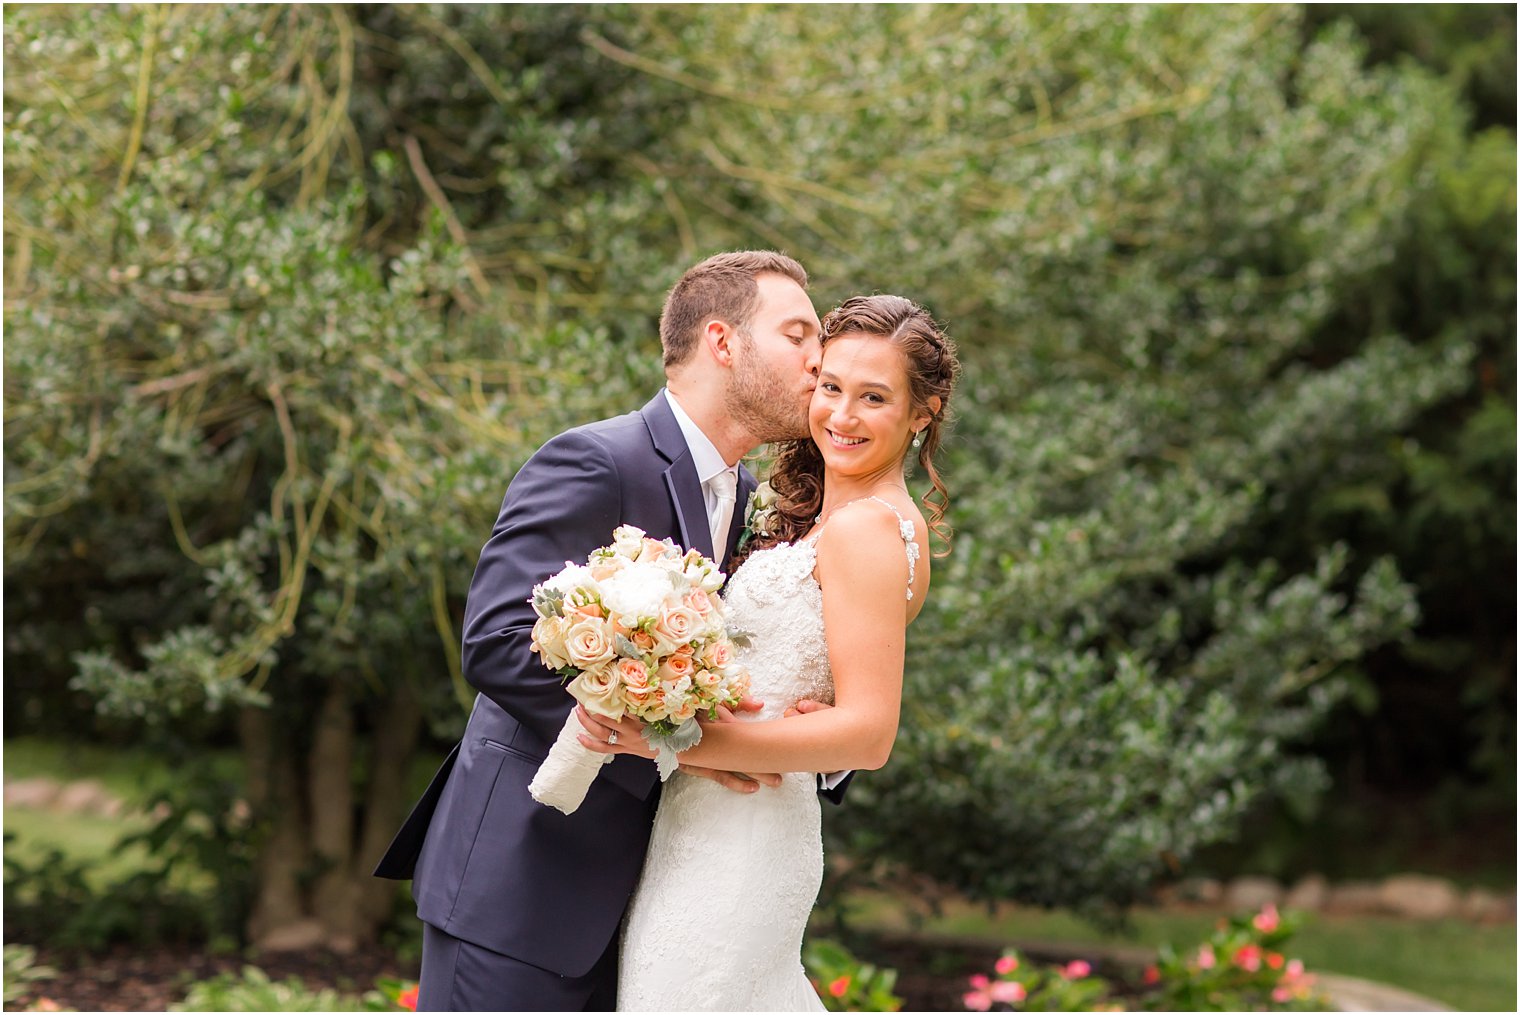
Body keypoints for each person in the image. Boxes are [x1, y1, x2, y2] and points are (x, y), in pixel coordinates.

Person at [372, 250, 850, 1011]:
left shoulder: (756, 501)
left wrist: (805, 737)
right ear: (723, 341)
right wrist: (679, 745)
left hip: (660, 906)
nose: (819, 358)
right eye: (799, 333)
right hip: (524, 885)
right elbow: (497, 638)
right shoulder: (595, 460)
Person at [577, 293, 960, 1011]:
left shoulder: (866, 531)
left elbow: (868, 734)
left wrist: (676, 740)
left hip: (742, 838)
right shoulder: (846, 520)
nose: (841, 416)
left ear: (922, 413)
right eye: (830, 387)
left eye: (873, 397)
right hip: (713, 824)